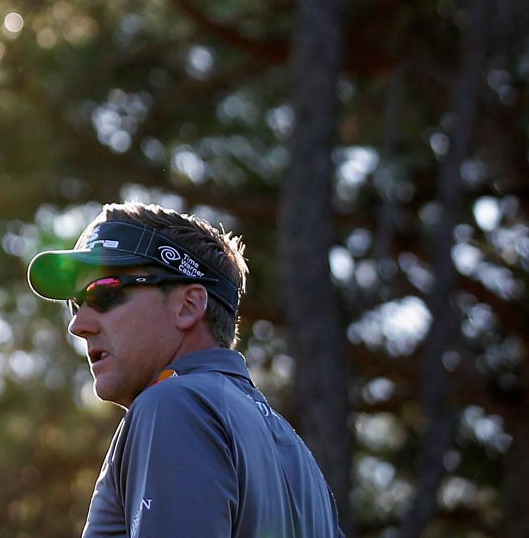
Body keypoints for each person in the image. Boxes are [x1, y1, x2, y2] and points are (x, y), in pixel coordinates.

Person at [27, 202, 346, 538]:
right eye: (76, 304)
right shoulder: (299, 459)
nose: (78, 325)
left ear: (189, 305)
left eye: (104, 292)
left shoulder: (174, 405)